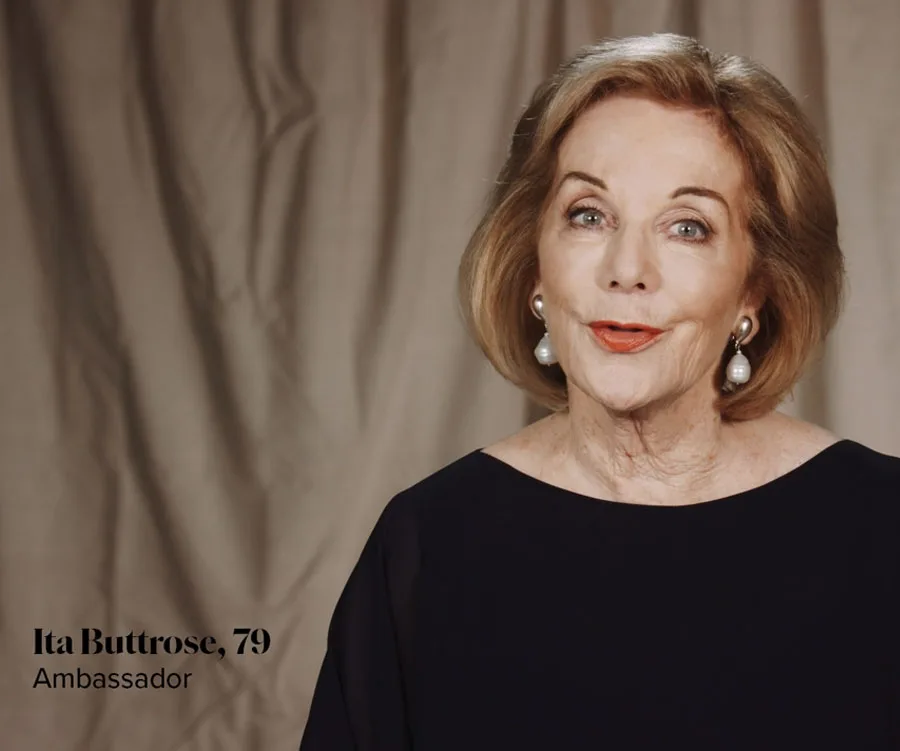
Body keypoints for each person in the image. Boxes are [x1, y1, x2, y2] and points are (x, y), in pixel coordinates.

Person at [299, 33, 900, 749]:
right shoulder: (426, 547)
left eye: (687, 226)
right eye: (589, 214)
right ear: (532, 267)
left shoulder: (882, 529)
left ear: (755, 289)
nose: (627, 269)